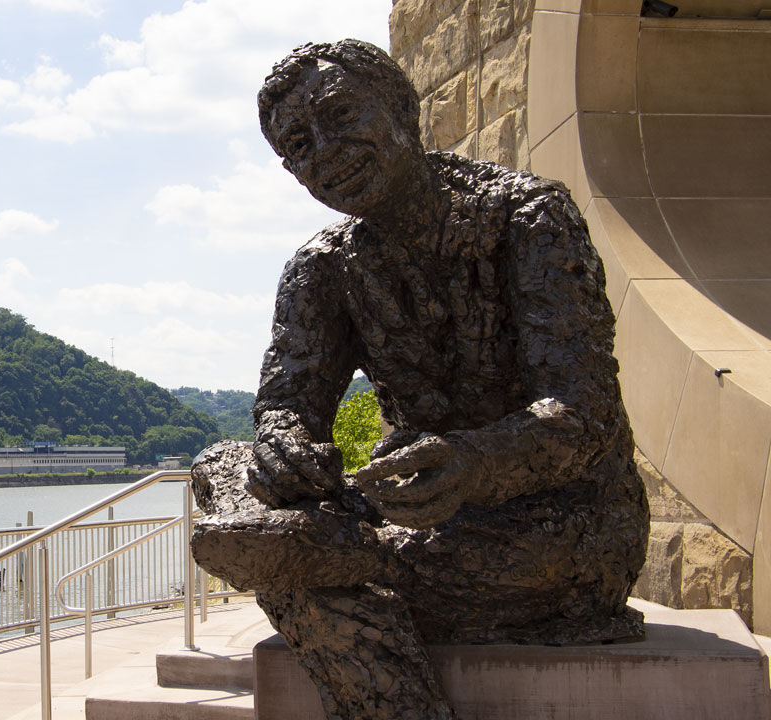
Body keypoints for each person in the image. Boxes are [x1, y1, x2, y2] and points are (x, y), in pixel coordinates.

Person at [190, 39, 649, 720]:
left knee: (305, 570)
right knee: (219, 463)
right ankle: (317, 556)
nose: (328, 151)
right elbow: (286, 404)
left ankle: (319, 558)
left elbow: (583, 414)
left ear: (401, 106)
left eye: (341, 115)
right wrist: (284, 443)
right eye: (300, 146)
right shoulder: (321, 268)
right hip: (408, 518)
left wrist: (473, 462)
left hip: (558, 521)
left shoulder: (527, 220)